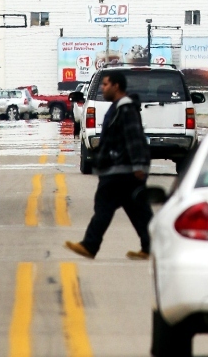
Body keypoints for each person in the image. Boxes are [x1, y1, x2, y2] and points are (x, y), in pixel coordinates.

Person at [65, 69, 153, 261]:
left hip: (121, 171)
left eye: (105, 84)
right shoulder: (119, 107)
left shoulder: (126, 109)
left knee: (105, 207)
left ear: (116, 86)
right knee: (139, 212)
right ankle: (152, 247)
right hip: (121, 170)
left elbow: (134, 138)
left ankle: (90, 245)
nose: (103, 88)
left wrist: (138, 165)